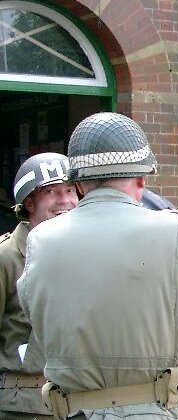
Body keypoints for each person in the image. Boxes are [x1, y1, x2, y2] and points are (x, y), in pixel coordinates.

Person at [17, 112, 178, 419]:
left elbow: (39, 327)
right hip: (167, 411)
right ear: (141, 181)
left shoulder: (39, 241)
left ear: (79, 185)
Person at [0, 153, 78, 419]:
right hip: (20, 404)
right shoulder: (7, 257)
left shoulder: (82, 252)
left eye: (70, 190)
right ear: (30, 203)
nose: (65, 201)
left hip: (76, 400)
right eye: (51, 192)